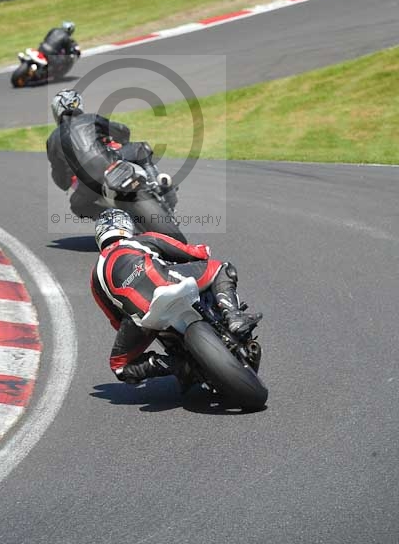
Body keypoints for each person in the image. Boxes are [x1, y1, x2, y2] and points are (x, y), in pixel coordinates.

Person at [90, 209, 263, 386]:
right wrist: (203, 251)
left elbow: (115, 320)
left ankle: (178, 366)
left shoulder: (95, 277)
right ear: (126, 226)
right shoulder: (140, 240)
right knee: (221, 268)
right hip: (168, 283)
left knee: (120, 366)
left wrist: (136, 325)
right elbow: (192, 253)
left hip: (143, 318)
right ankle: (233, 315)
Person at [47, 89, 173, 220]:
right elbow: (122, 131)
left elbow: (60, 178)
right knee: (141, 148)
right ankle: (156, 185)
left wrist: (70, 179)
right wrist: (117, 141)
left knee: (77, 207)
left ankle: (110, 220)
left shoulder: (52, 140)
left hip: (88, 184)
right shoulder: (90, 118)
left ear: (57, 110)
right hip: (110, 162)